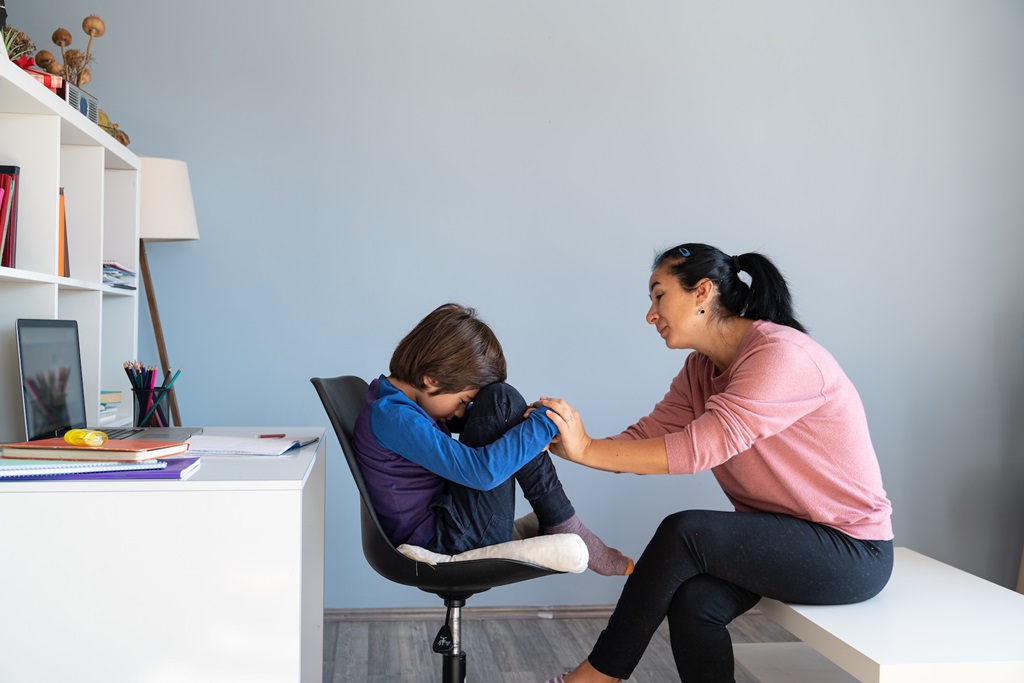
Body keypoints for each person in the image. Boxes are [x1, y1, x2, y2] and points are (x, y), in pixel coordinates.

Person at [537, 243, 894, 682]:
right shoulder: (699, 370)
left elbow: (698, 448)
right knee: (694, 602)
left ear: (702, 292)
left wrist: (588, 448)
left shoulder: (781, 356)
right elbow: (649, 436)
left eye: (658, 295)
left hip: (850, 550)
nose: (651, 314)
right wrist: (566, 440)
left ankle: (596, 677)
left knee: (686, 531)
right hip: (781, 536)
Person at [353, 302, 633, 576]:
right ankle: (561, 520)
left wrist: (516, 419)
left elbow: (475, 417)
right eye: (463, 400)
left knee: (500, 402)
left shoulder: (392, 401)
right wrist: (546, 423)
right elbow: (482, 474)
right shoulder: (396, 418)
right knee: (502, 399)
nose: (461, 411)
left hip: (449, 522)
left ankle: (560, 520)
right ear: (432, 380)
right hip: (447, 540)